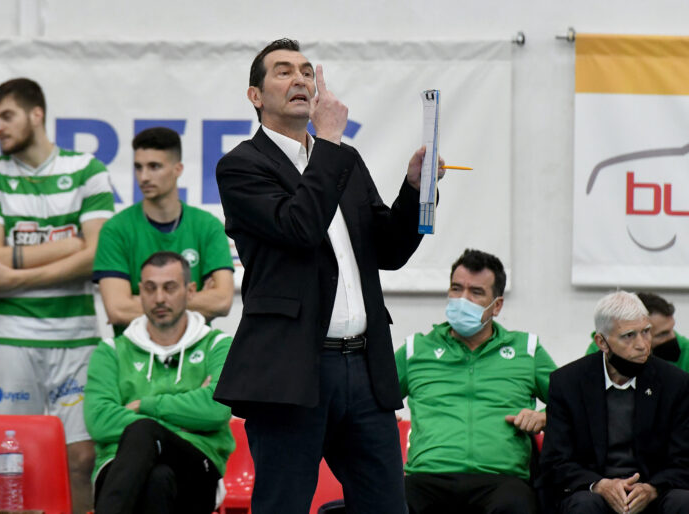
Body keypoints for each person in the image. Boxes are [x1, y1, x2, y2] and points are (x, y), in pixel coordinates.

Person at [213, 38, 444, 514]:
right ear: (255, 95)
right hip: (292, 371)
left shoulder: (344, 160)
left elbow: (389, 251)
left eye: (305, 71)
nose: (299, 79)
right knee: (283, 505)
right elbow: (300, 228)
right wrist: (331, 145)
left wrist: (413, 190)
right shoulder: (242, 166)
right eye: (283, 71)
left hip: (364, 367)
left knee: (387, 507)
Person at [0, 78, 114, 514]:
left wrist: (16, 278)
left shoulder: (87, 169)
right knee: (6, 457)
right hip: (12, 338)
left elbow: (97, 255)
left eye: (6, 116)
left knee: (83, 458)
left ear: (37, 115)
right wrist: (71, 245)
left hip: (77, 336)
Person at [395, 249, 556, 514]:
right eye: (456, 289)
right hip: (427, 477)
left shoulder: (526, 350)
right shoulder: (416, 349)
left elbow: (574, 404)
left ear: (497, 305)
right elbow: (369, 398)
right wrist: (377, 416)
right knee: (389, 503)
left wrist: (544, 417)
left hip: (501, 480)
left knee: (517, 506)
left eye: (476, 292)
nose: (463, 299)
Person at [84, 251, 234, 514]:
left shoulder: (218, 345)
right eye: (150, 288)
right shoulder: (111, 351)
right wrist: (182, 418)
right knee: (156, 477)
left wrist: (145, 406)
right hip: (120, 466)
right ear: (140, 291)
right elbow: (99, 421)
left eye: (170, 287)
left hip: (196, 467)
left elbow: (216, 410)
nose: (160, 298)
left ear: (190, 291)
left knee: (144, 432)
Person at [539, 291, 689, 514]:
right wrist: (599, 485)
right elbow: (555, 461)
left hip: (653, 491)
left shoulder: (675, 383)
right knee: (583, 505)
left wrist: (651, 489)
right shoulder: (568, 382)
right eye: (629, 336)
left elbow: (683, 459)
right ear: (602, 342)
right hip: (594, 491)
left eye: (646, 332)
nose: (642, 345)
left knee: (683, 501)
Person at [93, 126, 234, 335]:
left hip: (194, 351)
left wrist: (138, 301)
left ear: (178, 169)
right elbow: (118, 310)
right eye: (138, 167)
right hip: (134, 352)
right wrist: (197, 299)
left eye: (154, 166)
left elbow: (222, 301)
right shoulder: (115, 230)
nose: (144, 177)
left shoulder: (208, 226)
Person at [586, 292, 689, 373]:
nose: (673, 337)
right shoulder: (602, 349)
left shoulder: (685, 350)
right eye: (662, 334)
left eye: (672, 329)